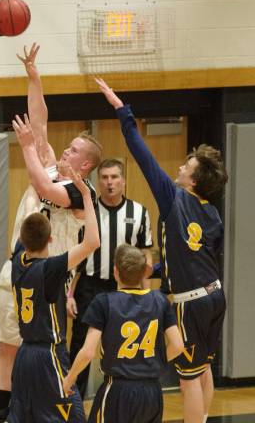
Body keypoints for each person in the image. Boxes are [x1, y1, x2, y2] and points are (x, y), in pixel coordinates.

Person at [95, 77, 228, 423]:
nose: (181, 168)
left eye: (188, 167)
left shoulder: (175, 199)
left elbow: (142, 155)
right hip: (215, 296)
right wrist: (149, 271)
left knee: (188, 383)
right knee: (204, 370)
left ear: (193, 181)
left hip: (191, 303)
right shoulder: (212, 213)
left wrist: (122, 111)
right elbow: (191, 258)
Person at [0, 43, 102, 422]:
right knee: (7, 349)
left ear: (84, 163)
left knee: (45, 351)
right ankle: (0, 413)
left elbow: (43, 187)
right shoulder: (53, 167)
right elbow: (39, 124)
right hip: (18, 268)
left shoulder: (78, 193)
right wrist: (34, 77)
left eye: (71, 150)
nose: (64, 152)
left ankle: (54, 410)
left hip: (50, 277)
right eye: (65, 148)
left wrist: (27, 151)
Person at [8, 162, 100, 423]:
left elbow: (29, 204)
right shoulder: (50, 268)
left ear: (22, 239)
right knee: (72, 418)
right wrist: (85, 195)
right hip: (49, 355)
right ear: (51, 240)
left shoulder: (17, 259)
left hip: (24, 354)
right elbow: (92, 241)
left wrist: (35, 171)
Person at [63, 244, 184, 423]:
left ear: (115, 271)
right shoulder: (160, 301)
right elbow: (178, 346)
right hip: (151, 391)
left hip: (118, 390)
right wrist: (151, 362)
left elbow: (88, 352)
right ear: (145, 272)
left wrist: (69, 379)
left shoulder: (104, 302)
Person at [67, 157, 153, 398]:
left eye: (114, 177)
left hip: (124, 288)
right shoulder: (87, 212)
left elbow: (146, 256)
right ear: (98, 182)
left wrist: (145, 295)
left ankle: (115, 397)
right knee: (81, 345)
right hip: (89, 286)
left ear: (123, 181)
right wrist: (69, 294)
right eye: (104, 178)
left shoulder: (139, 213)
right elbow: (75, 258)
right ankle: (73, 399)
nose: (109, 182)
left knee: (118, 345)